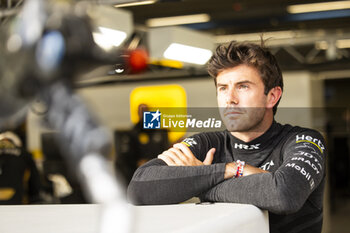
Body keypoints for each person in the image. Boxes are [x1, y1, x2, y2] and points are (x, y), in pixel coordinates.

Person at [127, 41, 326, 233]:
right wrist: (232, 170)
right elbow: (139, 187)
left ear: (272, 96)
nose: (230, 99)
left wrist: (200, 181)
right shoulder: (207, 143)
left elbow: (284, 194)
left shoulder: (304, 140)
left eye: (243, 86)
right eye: (223, 88)